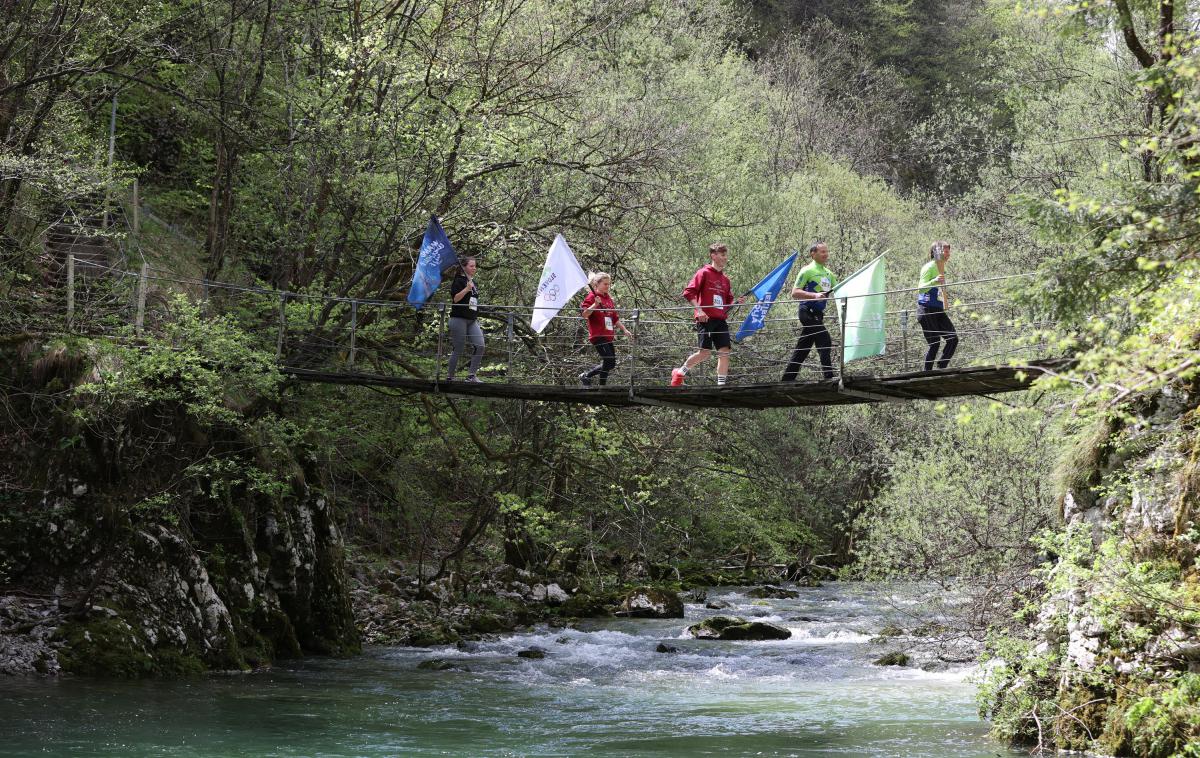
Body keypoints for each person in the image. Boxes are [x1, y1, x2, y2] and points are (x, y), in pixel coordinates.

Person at [670, 242, 745, 387]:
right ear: (713, 255)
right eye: (722, 255)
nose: (725, 258)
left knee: (724, 351)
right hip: (706, 319)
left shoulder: (725, 280)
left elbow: (727, 304)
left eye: (725, 255)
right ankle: (680, 372)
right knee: (705, 353)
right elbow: (688, 292)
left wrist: (737, 302)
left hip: (720, 320)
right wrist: (699, 310)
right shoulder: (703, 272)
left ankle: (721, 386)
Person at [782, 242, 838, 381]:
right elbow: (795, 293)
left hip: (818, 315)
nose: (825, 254)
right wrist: (814, 295)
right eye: (822, 252)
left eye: (827, 251)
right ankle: (829, 377)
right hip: (806, 311)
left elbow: (839, 290)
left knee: (803, 348)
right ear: (813, 254)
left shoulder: (829, 274)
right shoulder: (807, 270)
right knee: (824, 338)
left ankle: (787, 379)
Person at [579, 272, 633, 386]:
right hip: (598, 335)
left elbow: (614, 318)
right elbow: (584, 314)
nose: (607, 286)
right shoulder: (591, 297)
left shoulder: (608, 298)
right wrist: (595, 304)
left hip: (608, 335)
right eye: (605, 284)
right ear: (597, 284)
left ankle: (588, 376)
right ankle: (598, 383)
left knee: (611, 363)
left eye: (609, 284)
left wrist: (624, 330)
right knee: (608, 360)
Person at [916, 240, 958, 371]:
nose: (948, 254)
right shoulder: (928, 267)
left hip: (938, 309)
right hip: (926, 309)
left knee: (953, 339)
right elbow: (921, 289)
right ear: (937, 252)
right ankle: (927, 373)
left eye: (948, 251)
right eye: (945, 251)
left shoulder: (942, 267)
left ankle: (941, 366)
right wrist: (934, 281)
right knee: (934, 344)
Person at [446, 256, 484, 382]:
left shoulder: (474, 282)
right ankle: (450, 377)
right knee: (459, 348)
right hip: (458, 319)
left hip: (472, 319)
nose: (474, 268)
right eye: (471, 266)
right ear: (464, 267)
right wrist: (467, 289)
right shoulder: (458, 280)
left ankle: (471, 375)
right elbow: (455, 299)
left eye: (475, 266)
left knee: (480, 346)